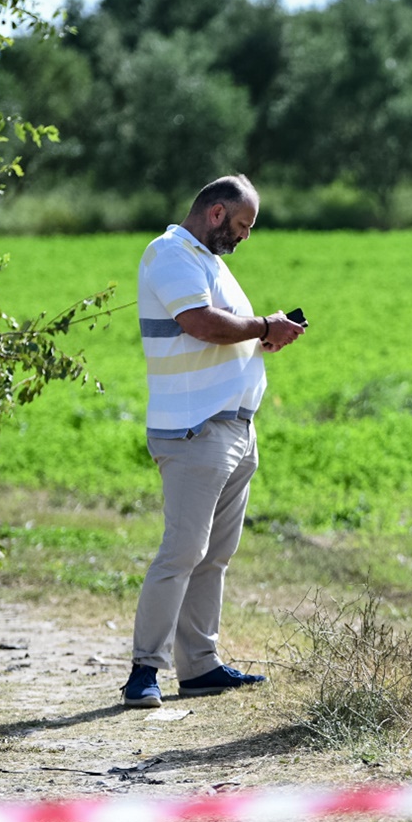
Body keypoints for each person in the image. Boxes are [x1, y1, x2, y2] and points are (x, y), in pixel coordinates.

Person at [122, 175, 307, 708]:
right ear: (218, 213)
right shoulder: (170, 252)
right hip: (194, 427)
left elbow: (227, 331)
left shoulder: (211, 263)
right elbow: (201, 324)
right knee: (182, 550)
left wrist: (265, 334)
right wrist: (261, 325)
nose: (245, 236)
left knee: (214, 555)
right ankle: (143, 671)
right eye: (243, 225)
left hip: (232, 427)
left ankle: (199, 666)